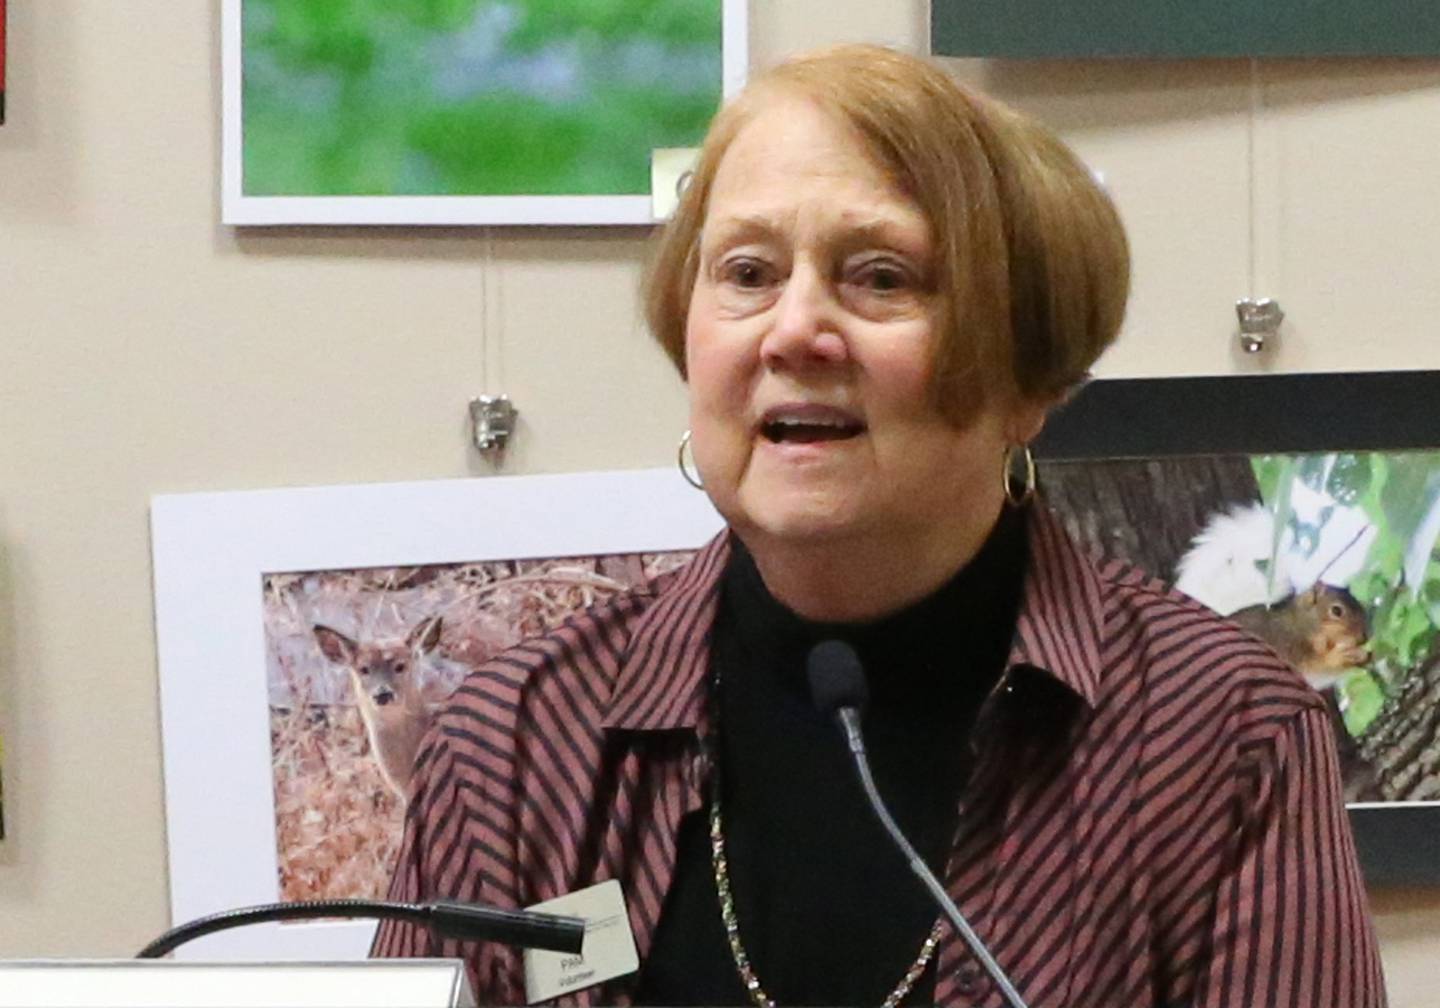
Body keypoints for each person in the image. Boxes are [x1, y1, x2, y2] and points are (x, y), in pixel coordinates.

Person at [373, 45, 1385, 1007]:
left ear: (1027, 382)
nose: (794, 330)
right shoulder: (513, 747)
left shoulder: (1223, 743)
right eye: (748, 273)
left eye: (881, 278)